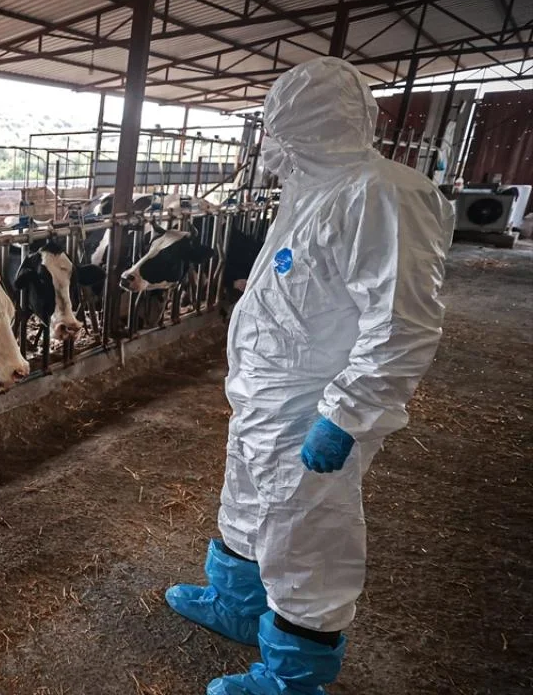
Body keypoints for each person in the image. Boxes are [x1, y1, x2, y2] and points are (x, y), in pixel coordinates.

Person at [165, 57, 453, 693]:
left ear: (312, 125)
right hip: (264, 397)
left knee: (305, 535)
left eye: (279, 129)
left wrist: (347, 414)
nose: (270, 144)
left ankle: (293, 676)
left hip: (312, 407)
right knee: (247, 499)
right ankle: (238, 604)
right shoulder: (311, 190)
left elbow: (402, 322)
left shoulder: (384, 195)